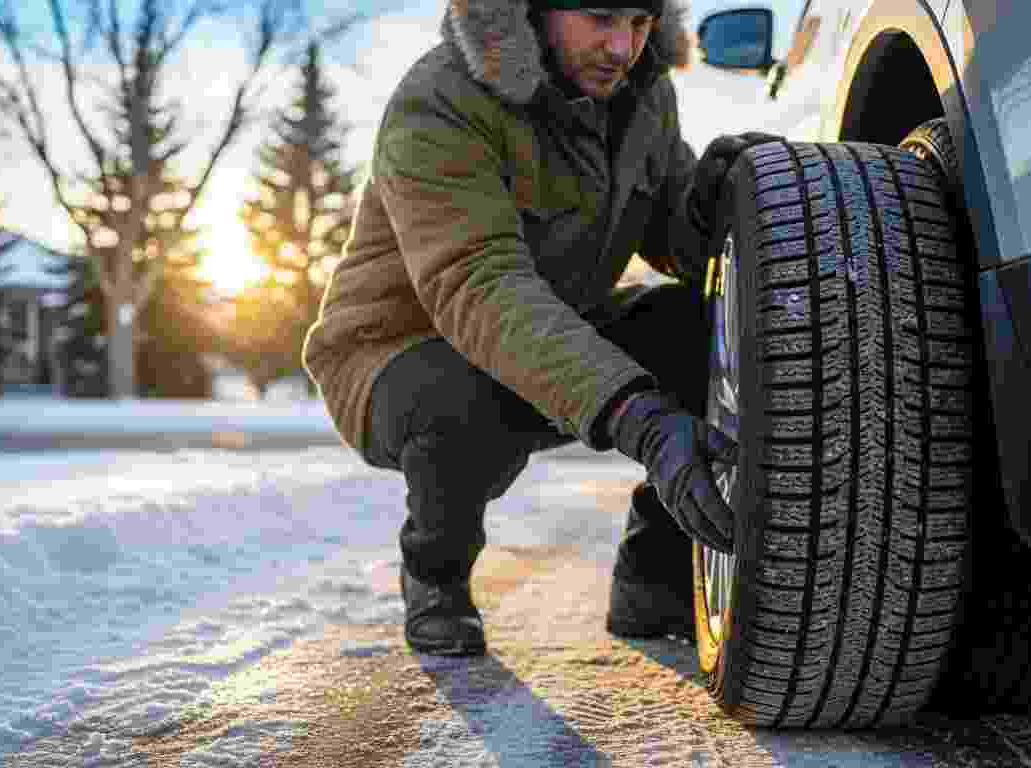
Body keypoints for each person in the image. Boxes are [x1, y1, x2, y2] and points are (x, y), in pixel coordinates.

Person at [304, 0, 777, 655]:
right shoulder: (442, 99)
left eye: (640, 24)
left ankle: (654, 577)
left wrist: (711, 204)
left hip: (554, 325)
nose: (623, 47)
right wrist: (639, 417)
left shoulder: (643, 96)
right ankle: (435, 575)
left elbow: (672, 237)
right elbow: (480, 287)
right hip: (399, 352)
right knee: (457, 397)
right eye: (601, 19)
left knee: (691, 326)